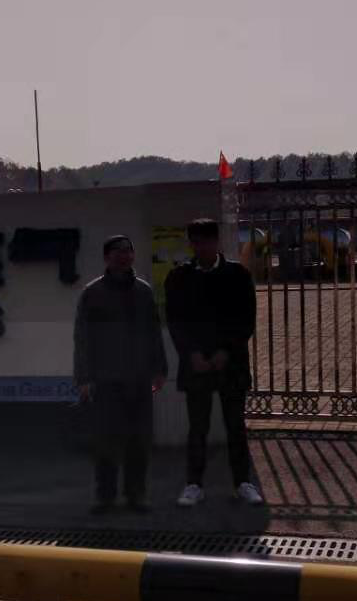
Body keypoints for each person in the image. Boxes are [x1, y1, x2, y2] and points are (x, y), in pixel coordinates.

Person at [164, 216, 263, 506]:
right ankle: (194, 484)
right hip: (195, 364)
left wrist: (226, 351)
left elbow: (246, 318)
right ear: (191, 244)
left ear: (216, 241)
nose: (202, 247)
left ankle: (242, 482)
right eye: (196, 242)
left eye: (207, 241)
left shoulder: (238, 274)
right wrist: (192, 353)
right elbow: (175, 321)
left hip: (231, 363)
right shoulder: (179, 277)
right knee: (198, 428)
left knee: (235, 426)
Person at [73, 234, 167, 514]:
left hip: (138, 377)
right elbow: (82, 337)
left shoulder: (143, 291)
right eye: (118, 251)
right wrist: (84, 377)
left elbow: (154, 332)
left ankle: (136, 494)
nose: (124, 256)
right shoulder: (92, 293)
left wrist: (159, 369)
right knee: (106, 441)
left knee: (138, 440)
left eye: (128, 251)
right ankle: (105, 495)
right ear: (107, 257)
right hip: (105, 379)